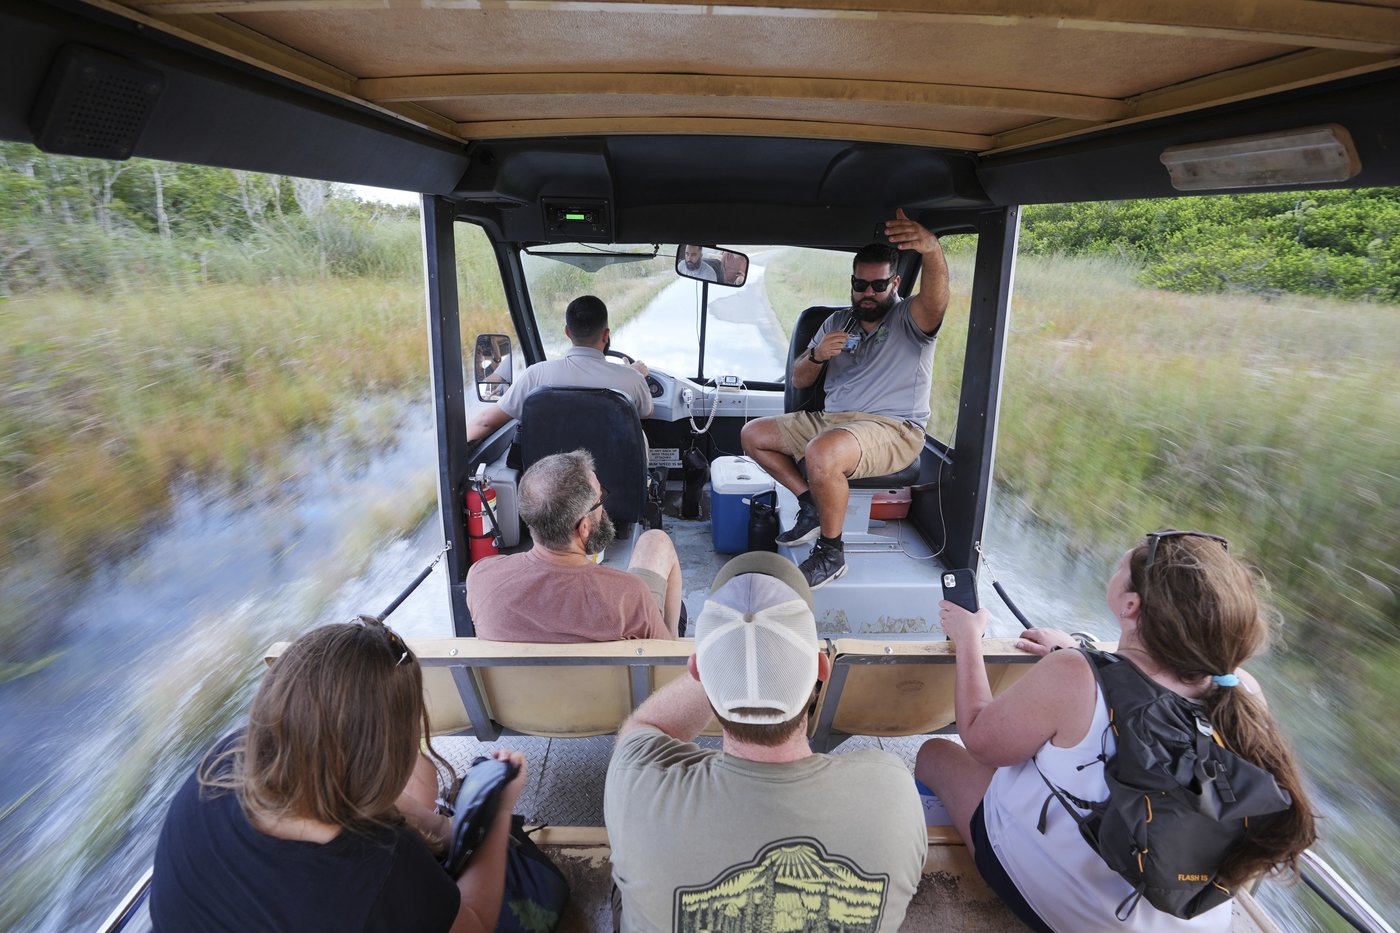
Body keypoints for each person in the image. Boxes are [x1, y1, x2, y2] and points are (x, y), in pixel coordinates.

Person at [914, 531, 1317, 932]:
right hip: (1190, 918)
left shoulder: (1075, 673)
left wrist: (968, 637)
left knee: (935, 754)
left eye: (1120, 567)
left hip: (1086, 916)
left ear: (1130, 604)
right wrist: (1068, 650)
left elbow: (980, 738)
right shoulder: (1243, 689)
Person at [605, 552, 926, 932]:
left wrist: (722, 660)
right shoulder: (891, 790)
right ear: (821, 670)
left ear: (697, 672)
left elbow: (642, 729)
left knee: (626, 869)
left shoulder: (638, 789)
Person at [150, 620, 528, 933]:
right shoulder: (382, 868)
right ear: (382, 757)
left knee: (422, 773)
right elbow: (475, 924)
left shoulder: (227, 759)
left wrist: (446, 830)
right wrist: (496, 817)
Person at [740, 209, 950, 589]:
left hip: (892, 427)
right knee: (753, 435)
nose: (867, 293)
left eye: (877, 285)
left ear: (895, 282)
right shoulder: (836, 322)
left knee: (822, 452)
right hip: (832, 420)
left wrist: (931, 250)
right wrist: (818, 354)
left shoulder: (910, 318)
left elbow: (936, 301)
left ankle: (831, 552)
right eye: (860, 284)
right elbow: (799, 378)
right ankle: (810, 503)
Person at [467, 449, 684, 641]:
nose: (603, 508)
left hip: (523, 686)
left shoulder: (481, 577)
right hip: (611, 685)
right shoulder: (629, 595)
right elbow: (660, 661)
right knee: (655, 541)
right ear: (584, 528)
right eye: (600, 500)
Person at [467, 295, 653, 442]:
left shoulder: (536, 375)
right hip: (616, 485)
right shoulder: (631, 379)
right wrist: (635, 374)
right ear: (606, 335)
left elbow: (484, 423)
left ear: (567, 332)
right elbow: (645, 413)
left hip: (549, 486)